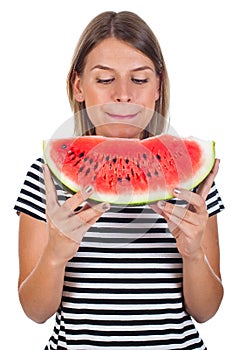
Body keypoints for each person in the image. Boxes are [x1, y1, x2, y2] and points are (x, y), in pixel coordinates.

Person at [14, 11, 224, 350]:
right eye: (105, 79)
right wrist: (55, 254)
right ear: (78, 86)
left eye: (139, 80)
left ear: (158, 86)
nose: (123, 95)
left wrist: (193, 254)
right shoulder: (47, 178)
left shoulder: (192, 181)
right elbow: (35, 312)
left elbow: (206, 311)